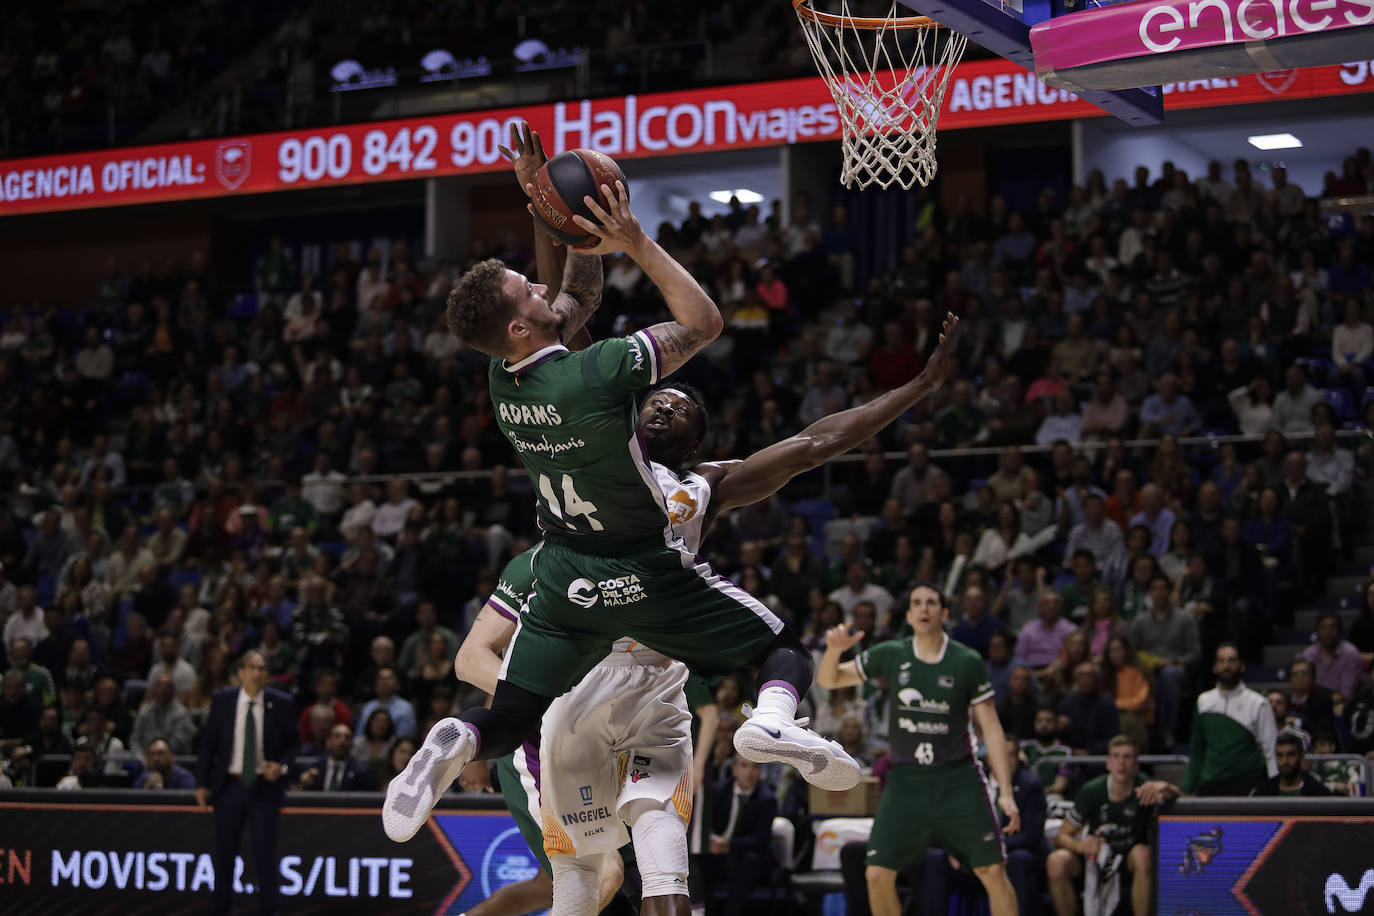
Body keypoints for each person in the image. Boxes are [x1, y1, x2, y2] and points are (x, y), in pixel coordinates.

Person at [385, 131, 865, 851]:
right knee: (782, 650)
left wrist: (545, 202)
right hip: (637, 566)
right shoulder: (598, 372)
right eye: (523, 287)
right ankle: (771, 721)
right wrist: (633, 238)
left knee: (514, 712)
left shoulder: (503, 376)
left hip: (561, 572)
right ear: (519, 322)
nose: (534, 283)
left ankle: (457, 737)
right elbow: (703, 322)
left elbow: (573, 293)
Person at [454, 266, 960, 916]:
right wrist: (553, 219)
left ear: (697, 443)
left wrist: (915, 388)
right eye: (657, 401)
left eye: (679, 410)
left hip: (650, 673)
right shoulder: (606, 430)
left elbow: (816, 442)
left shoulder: (709, 484)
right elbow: (561, 345)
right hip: (584, 670)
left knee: (654, 869)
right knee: (584, 876)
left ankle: (769, 723)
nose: (663, 405)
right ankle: (771, 716)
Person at [819, 585, 1022, 916]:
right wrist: (833, 651)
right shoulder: (891, 653)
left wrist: (1007, 792)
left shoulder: (966, 661)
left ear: (943, 613)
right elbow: (830, 680)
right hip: (906, 783)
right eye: (916, 603)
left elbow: (993, 729)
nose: (923, 608)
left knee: (993, 872)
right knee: (876, 874)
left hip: (957, 780)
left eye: (931, 602)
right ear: (910, 615)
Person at [195, 650, 298, 916]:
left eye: (262, 668)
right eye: (251, 667)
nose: (256, 672)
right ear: (240, 672)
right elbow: (208, 744)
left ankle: (269, 911)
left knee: (265, 856)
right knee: (224, 857)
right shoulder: (223, 701)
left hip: (264, 788)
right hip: (229, 786)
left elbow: (293, 746)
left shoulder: (281, 703)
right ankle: (221, 910)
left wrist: (282, 767)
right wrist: (202, 783)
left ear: (267, 675)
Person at [1047, 735, 1180, 916]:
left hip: (1129, 858)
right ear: (1108, 763)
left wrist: (1165, 787)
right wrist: (1081, 845)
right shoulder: (1091, 791)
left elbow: (1180, 797)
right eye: (1116, 756)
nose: (1121, 763)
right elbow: (1061, 836)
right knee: (1056, 861)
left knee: (1143, 854)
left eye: (1127, 757)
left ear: (1136, 764)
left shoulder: (1146, 787)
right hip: (1096, 857)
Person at [920, 739, 1046, 916]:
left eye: (1010, 755)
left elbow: (1033, 836)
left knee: (1021, 860)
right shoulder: (970, 782)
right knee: (934, 858)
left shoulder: (1029, 786)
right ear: (988, 758)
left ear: (1018, 758)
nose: (1005, 761)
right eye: (1000, 755)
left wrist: (991, 847)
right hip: (969, 860)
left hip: (1006, 859)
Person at [1183, 644, 1277, 796]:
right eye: (1221, 661)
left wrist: (1275, 788)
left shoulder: (1258, 703)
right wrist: (1187, 789)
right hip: (1210, 783)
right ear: (1215, 667)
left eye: (1232, 661)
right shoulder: (1203, 702)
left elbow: (1270, 750)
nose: (1226, 666)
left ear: (1242, 666)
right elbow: (1197, 750)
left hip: (1247, 782)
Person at [703, 758, 778, 916]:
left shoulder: (767, 799)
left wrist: (729, 845)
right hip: (719, 855)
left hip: (748, 857)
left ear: (760, 771)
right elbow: (704, 824)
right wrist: (710, 841)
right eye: (744, 766)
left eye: (755, 766)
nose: (750, 771)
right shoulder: (718, 791)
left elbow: (760, 841)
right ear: (734, 769)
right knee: (696, 859)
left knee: (749, 861)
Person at [1302, 611, 1363, 706]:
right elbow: (1304, 688)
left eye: (1332, 627)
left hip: (1343, 705)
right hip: (1313, 703)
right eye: (1324, 627)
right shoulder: (1309, 654)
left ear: (1339, 630)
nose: (1328, 631)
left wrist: (1318, 704)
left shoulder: (1350, 654)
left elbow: (1347, 694)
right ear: (1317, 631)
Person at [296, 723, 374, 791]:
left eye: (347, 737)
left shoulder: (362, 772)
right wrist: (303, 785)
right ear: (327, 742)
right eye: (337, 736)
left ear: (352, 744)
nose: (342, 741)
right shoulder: (313, 770)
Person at [1251, 732, 1333, 796]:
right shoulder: (1263, 792)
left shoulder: (1319, 793)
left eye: (1290, 754)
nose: (1285, 761)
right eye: (1280, 755)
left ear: (1301, 756)